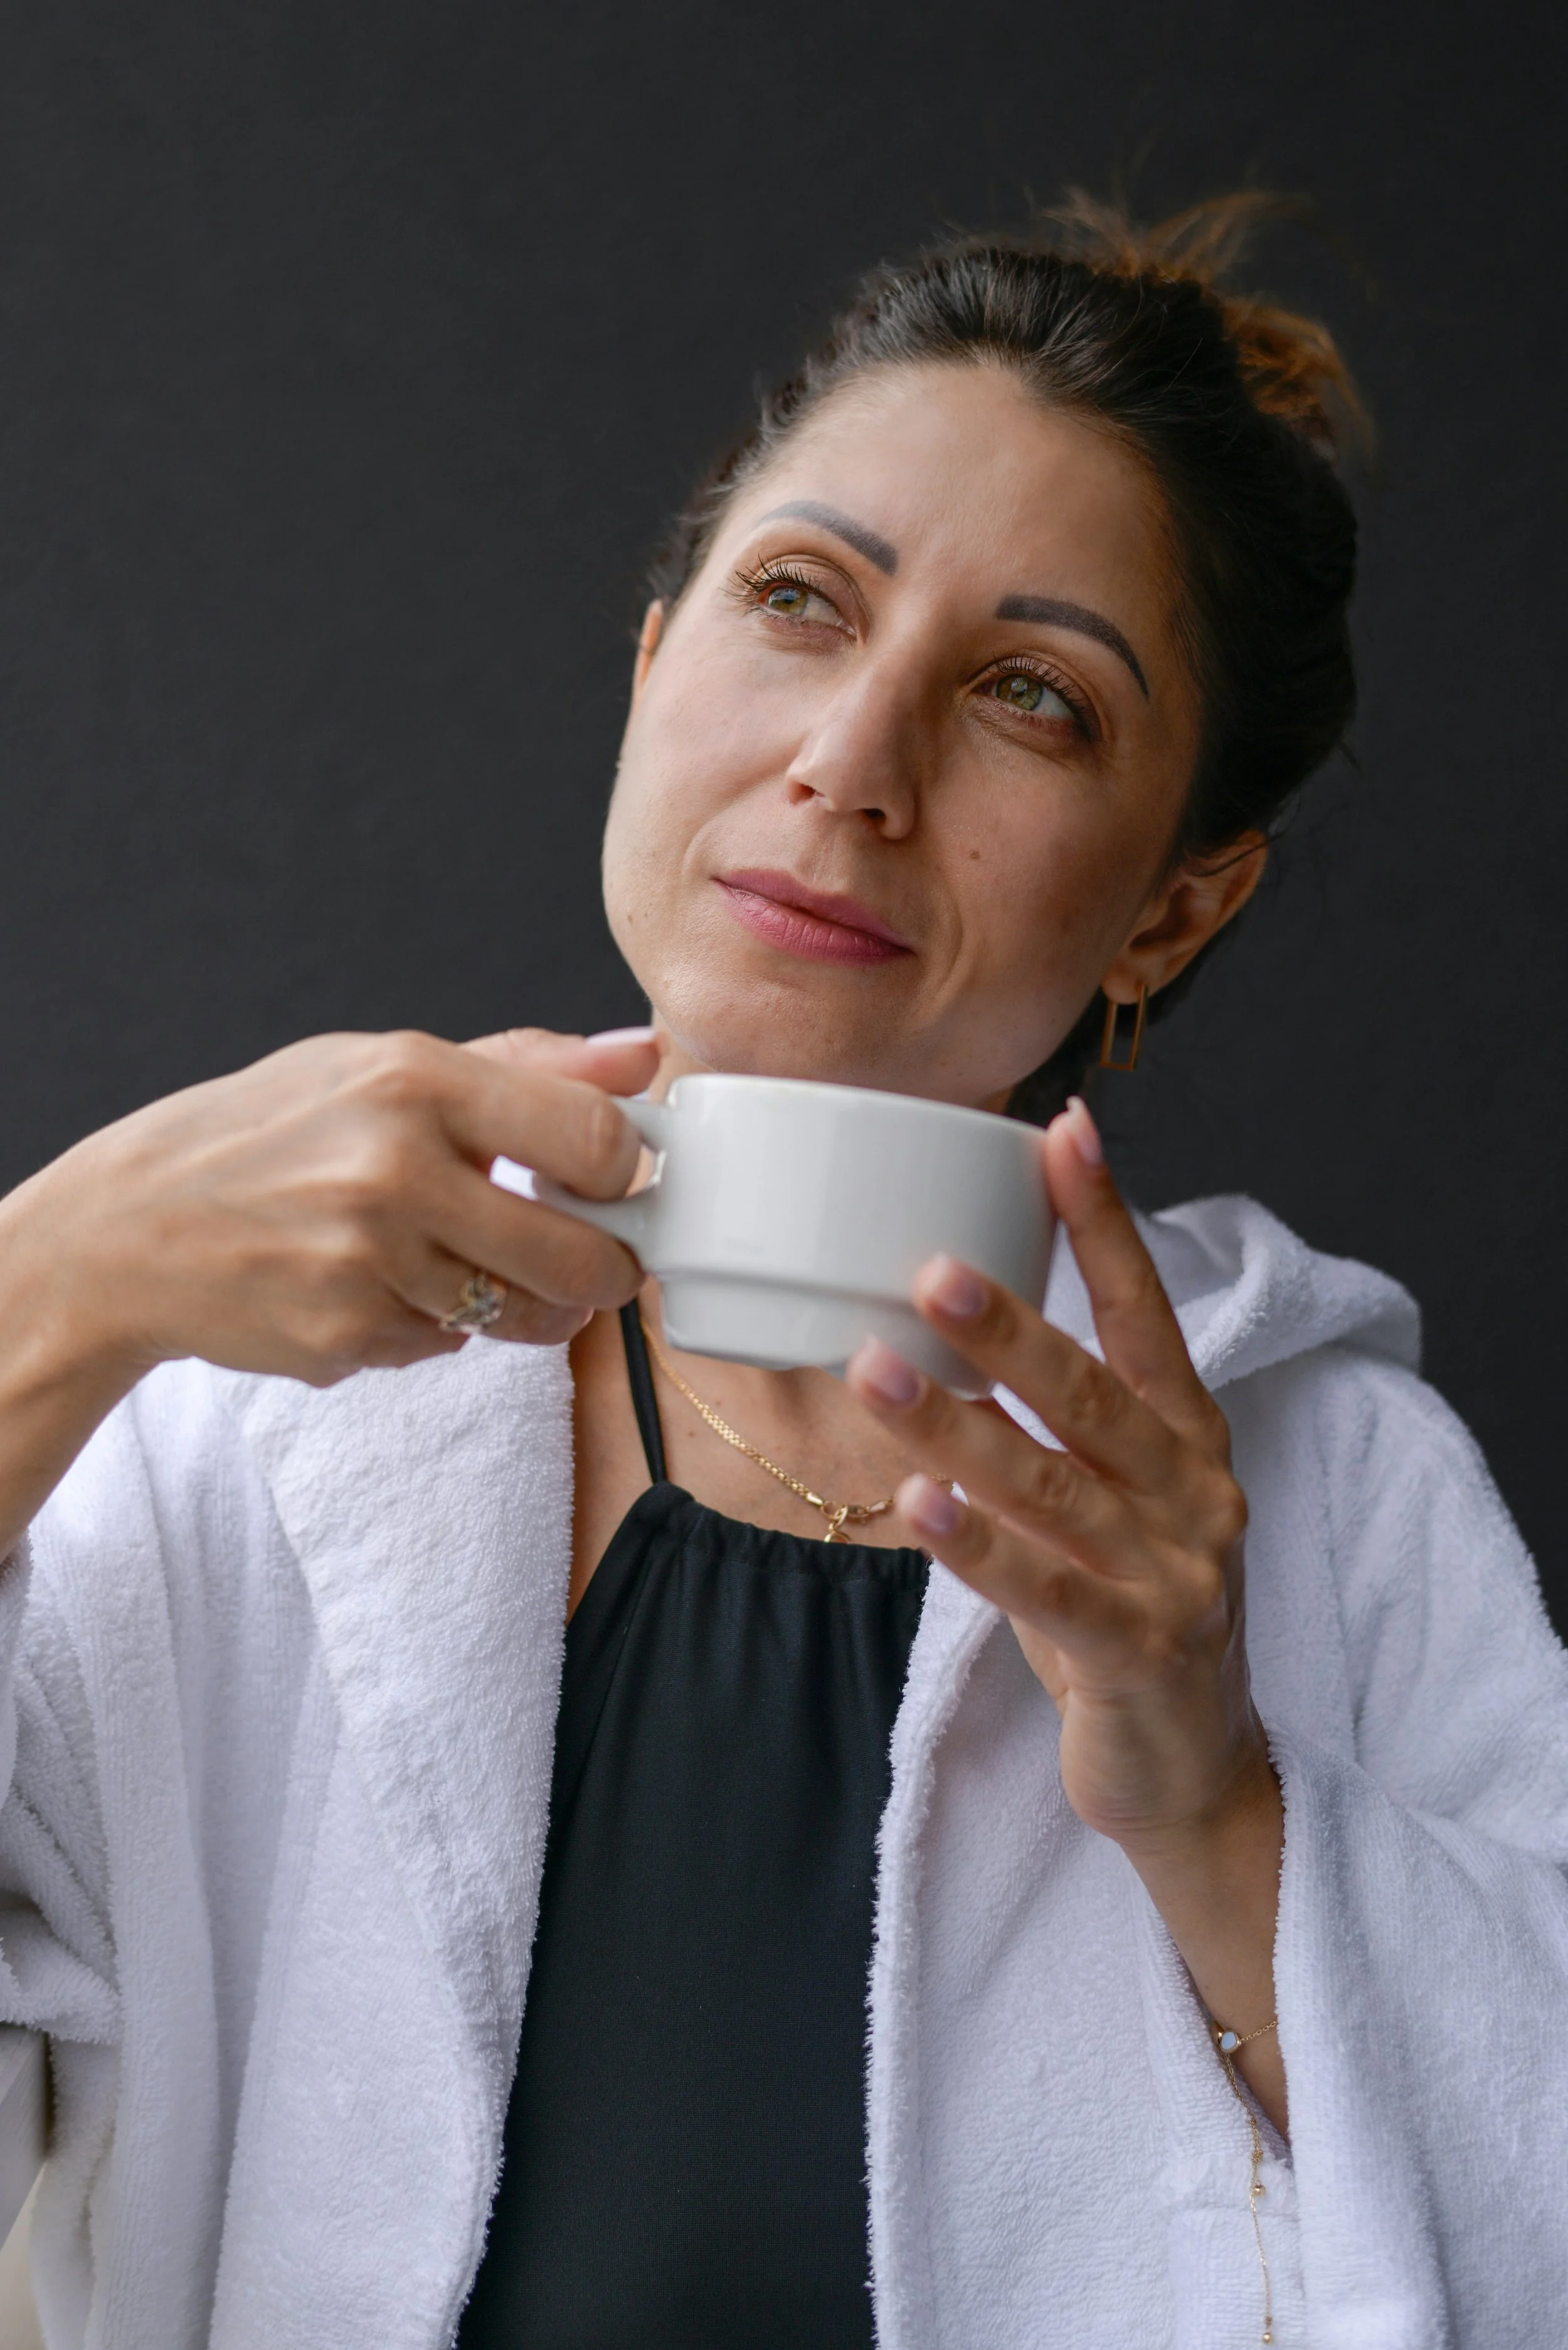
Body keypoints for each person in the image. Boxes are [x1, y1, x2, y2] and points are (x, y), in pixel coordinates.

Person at [0, 196, 1564, 2350]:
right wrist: (49, 1291)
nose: (851, 760)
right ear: (656, 670)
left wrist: (1216, 1799)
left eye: (1030, 696)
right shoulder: (227, 1423)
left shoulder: (1326, 1504)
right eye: (799, 601)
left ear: (1174, 909)